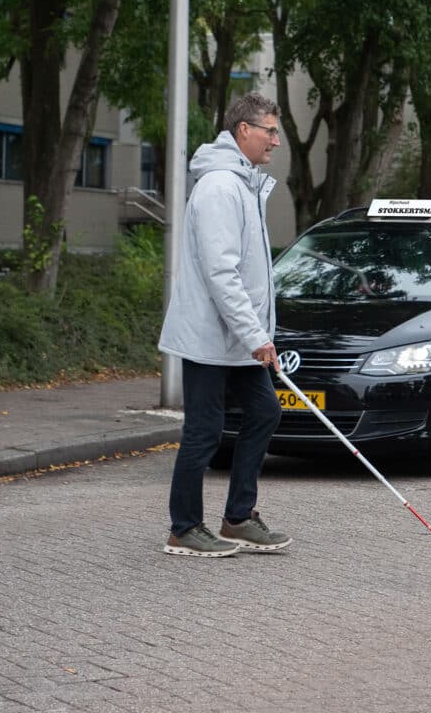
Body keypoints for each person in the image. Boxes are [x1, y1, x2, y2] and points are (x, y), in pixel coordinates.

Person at [159, 92, 291, 558]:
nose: (276, 139)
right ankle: (184, 527)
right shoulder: (219, 186)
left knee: (264, 412)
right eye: (269, 130)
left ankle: (237, 518)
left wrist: (254, 333)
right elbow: (222, 272)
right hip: (209, 337)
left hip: (236, 338)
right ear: (243, 132)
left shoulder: (245, 183)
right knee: (204, 429)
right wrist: (256, 335)